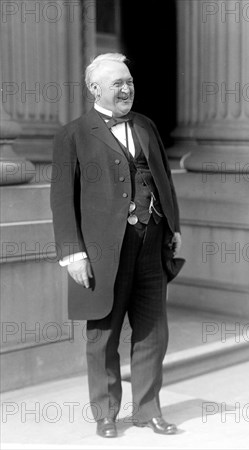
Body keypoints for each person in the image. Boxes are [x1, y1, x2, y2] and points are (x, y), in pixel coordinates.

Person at [50, 53, 182, 438]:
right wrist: (72, 253)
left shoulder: (146, 126)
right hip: (103, 250)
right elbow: (61, 199)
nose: (126, 90)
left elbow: (164, 179)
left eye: (129, 83)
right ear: (95, 89)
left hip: (152, 242)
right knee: (103, 334)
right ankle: (106, 414)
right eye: (117, 84)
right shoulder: (72, 134)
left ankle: (147, 410)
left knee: (153, 331)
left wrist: (174, 226)